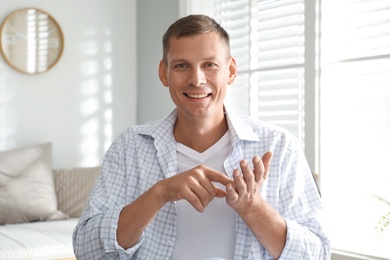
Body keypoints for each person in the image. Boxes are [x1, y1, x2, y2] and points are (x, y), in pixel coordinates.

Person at [73, 14, 331, 259]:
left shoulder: (279, 146)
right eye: (182, 66)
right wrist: (159, 193)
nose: (196, 79)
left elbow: (317, 254)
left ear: (230, 71)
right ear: (164, 73)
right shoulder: (130, 147)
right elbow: (87, 251)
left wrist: (253, 207)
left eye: (209, 64)